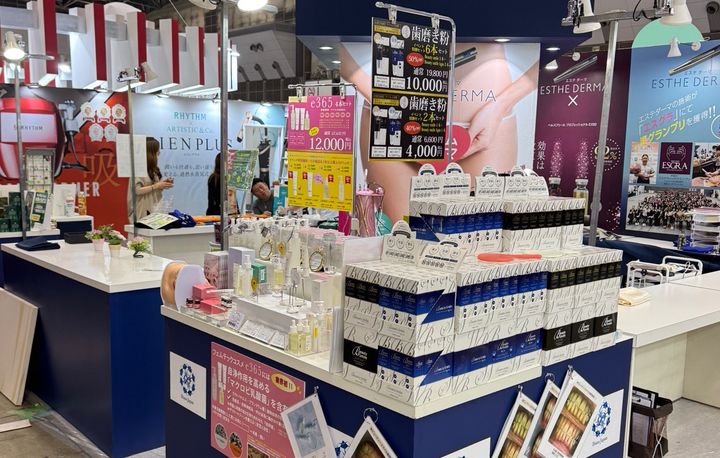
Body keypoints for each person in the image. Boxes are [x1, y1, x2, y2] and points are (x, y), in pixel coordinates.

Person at [128, 137, 173, 221]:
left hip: (154, 213)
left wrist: (162, 184)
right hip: (142, 214)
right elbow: (137, 191)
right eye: (157, 151)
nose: (159, 153)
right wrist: (156, 186)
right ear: (150, 153)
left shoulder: (153, 170)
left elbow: (154, 188)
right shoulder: (138, 169)